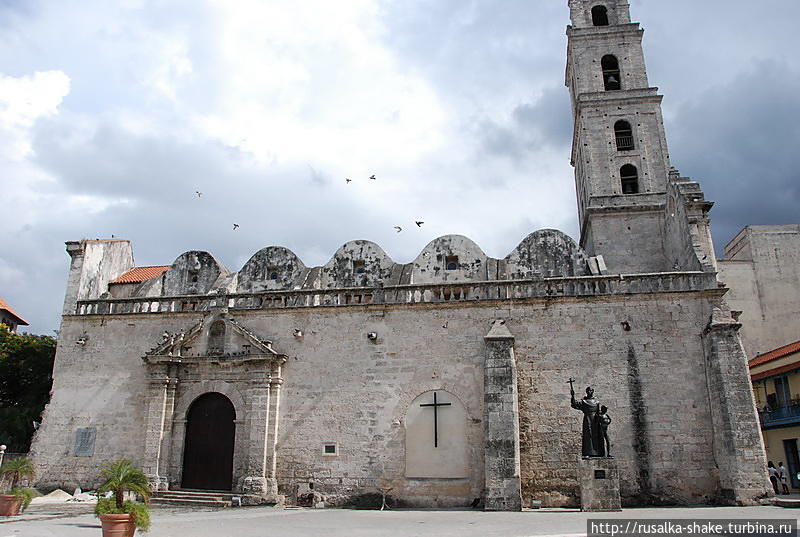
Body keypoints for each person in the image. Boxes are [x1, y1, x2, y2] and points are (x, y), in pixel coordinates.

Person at [571, 385, 604, 457]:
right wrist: (572, 396)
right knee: (588, 435)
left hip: (595, 420)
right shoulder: (584, 401)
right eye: (589, 390)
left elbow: (599, 412)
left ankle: (598, 452)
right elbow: (574, 404)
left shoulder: (596, 402)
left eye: (591, 390)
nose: (590, 392)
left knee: (596, 435)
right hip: (587, 419)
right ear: (586, 392)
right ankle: (588, 452)